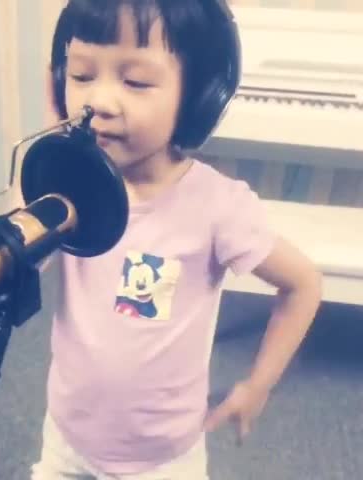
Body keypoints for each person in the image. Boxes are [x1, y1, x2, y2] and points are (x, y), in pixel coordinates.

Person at [31, 0, 322, 478]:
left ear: (198, 96)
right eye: (81, 75)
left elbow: (304, 284)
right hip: (67, 436)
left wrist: (258, 385)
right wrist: (50, 150)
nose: (98, 101)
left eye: (135, 81)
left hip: (163, 459)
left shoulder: (217, 206)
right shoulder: (69, 189)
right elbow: (18, 257)